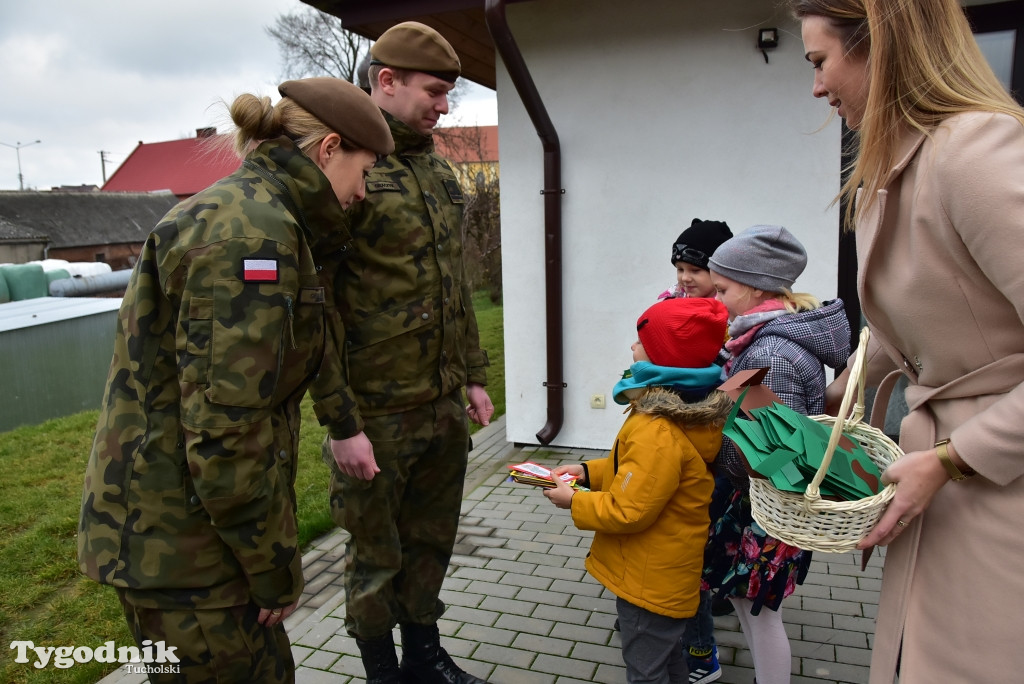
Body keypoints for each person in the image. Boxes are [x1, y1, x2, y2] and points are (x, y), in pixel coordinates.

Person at [77, 78, 394, 682]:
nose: (363, 191)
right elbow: (225, 430)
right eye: (365, 169)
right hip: (186, 553)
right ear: (329, 149)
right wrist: (272, 568)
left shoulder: (263, 215)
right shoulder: (254, 237)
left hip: (187, 538)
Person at [793, 1, 1024, 681]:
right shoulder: (890, 169)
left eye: (819, 61)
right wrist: (833, 399)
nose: (816, 87)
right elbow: (918, 326)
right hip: (942, 481)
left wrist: (955, 460)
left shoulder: (977, 152)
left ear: (881, 46)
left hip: (999, 490)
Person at [313, 21, 493, 684]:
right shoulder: (346, 170)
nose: (444, 105)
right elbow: (319, 308)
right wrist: (342, 423)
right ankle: (381, 671)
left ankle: (425, 656)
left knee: (430, 541)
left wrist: (472, 379)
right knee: (374, 553)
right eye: (435, 90)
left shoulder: (439, 173)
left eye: (448, 93)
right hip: (377, 412)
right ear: (385, 82)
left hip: (440, 404)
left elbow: (456, 286)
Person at [544, 297, 733, 684]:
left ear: (663, 357)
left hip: (650, 583)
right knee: (671, 663)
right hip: (666, 573)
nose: (632, 347)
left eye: (640, 342)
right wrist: (587, 472)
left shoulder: (657, 428)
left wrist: (574, 499)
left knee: (645, 672)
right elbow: (642, 474)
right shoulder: (681, 414)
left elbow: (629, 510)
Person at [702, 225, 850, 684]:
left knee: (761, 613)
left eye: (723, 287)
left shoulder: (771, 354)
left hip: (765, 509)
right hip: (757, 504)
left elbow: (773, 456)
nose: (717, 298)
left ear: (755, 285)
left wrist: (713, 450)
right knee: (749, 606)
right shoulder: (760, 339)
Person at [658, 218, 733, 301]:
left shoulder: (733, 307)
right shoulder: (673, 300)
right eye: (680, 269)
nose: (685, 278)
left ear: (720, 272)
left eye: (695, 270)